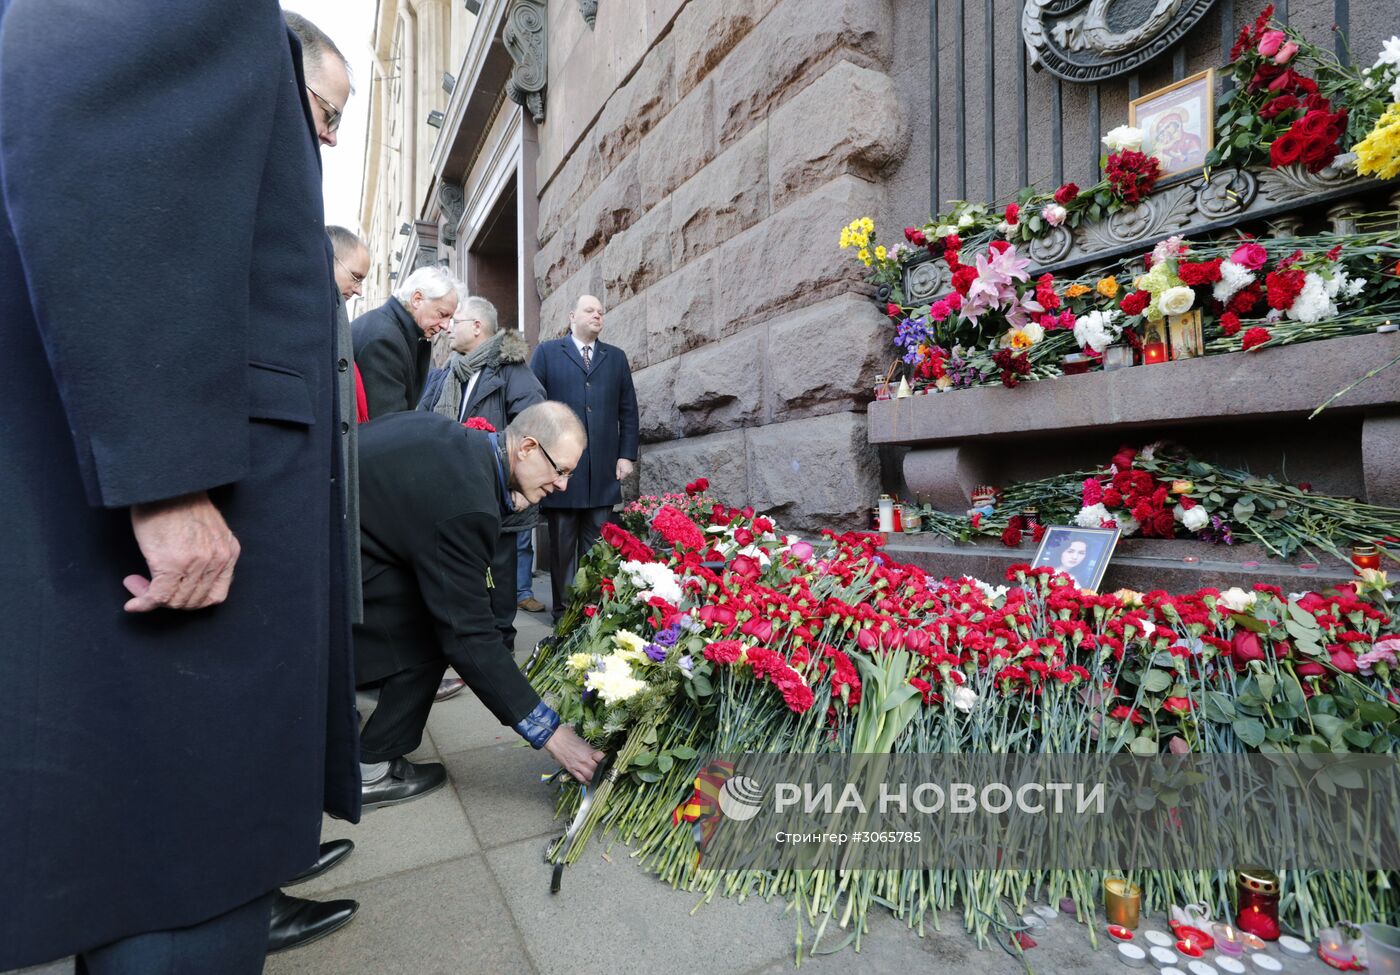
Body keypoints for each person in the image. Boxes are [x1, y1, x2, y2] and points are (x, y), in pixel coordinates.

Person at [0, 4, 359, 972]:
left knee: (173, 855)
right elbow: (89, 77)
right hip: (191, 507)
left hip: (193, 475)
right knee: (177, 859)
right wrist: (165, 477)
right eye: (326, 114)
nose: (328, 136)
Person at [354, 403, 606, 804]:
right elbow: (469, 632)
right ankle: (371, 768)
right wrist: (550, 732)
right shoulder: (468, 504)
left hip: (326, 546)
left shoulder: (456, 445)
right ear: (527, 447)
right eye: (560, 470)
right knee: (440, 628)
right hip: (316, 586)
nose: (563, 485)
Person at [420, 294, 547, 701]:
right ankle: (462, 646)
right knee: (461, 574)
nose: (448, 327)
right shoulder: (447, 373)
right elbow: (421, 422)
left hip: (499, 495)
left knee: (500, 576)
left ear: (477, 327)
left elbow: (535, 427)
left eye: (456, 320)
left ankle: (499, 652)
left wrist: (521, 488)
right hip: (451, 495)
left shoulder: (512, 370)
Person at [530, 295, 639, 623]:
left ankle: (592, 612)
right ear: (572, 316)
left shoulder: (615, 357)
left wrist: (626, 455)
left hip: (604, 470)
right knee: (563, 547)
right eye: (590, 310)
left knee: (598, 547)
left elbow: (628, 410)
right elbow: (534, 409)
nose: (597, 315)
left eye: (601, 311)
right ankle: (564, 614)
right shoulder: (547, 353)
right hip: (563, 471)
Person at [352, 264, 458, 418]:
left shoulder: (391, 329)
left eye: (450, 318)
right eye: (442, 314)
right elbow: (388, 423)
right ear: (417, 299)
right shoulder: (385, 339)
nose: (446, 326)